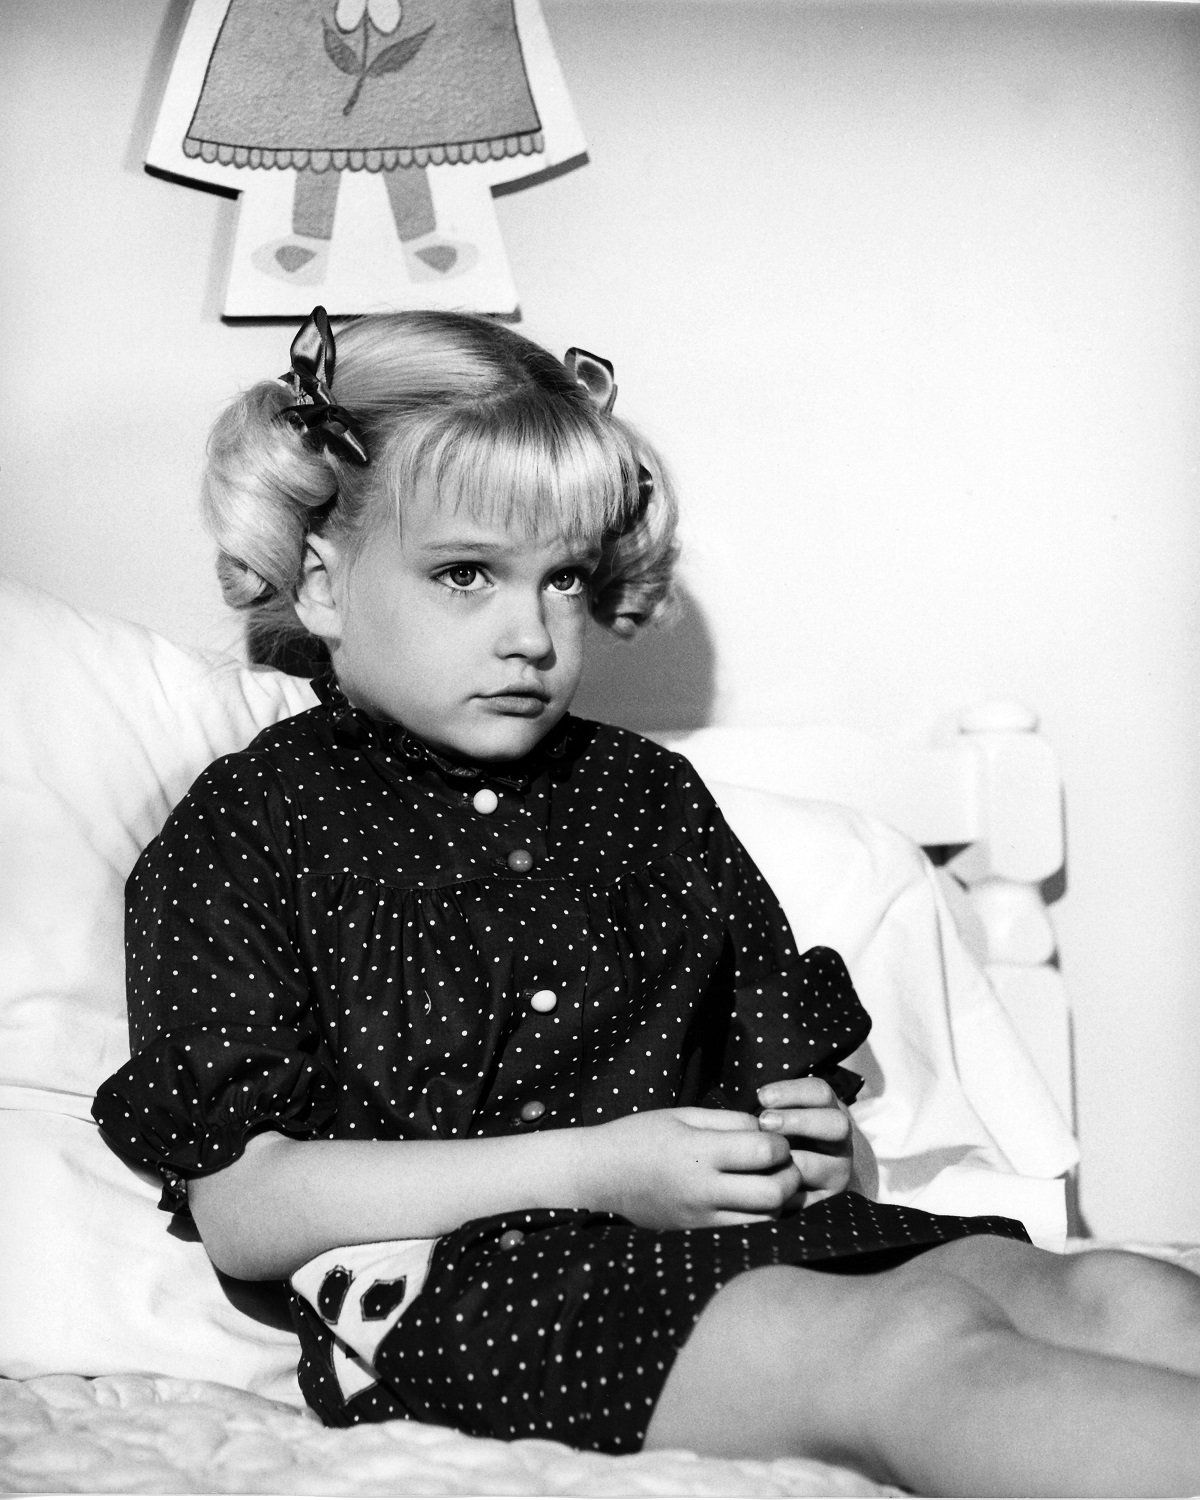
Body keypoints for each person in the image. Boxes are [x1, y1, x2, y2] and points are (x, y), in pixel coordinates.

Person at [94, 308, 1200, 1497]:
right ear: (320, 584)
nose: (530, 634)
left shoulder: (647, 798)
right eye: (465, 574)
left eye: (562, 578)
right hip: (463, 1291)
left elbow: (780, 1088)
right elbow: (246, 1208)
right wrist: (597, 1169)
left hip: (737, 1245)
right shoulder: (251, 824)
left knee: (1114, 1290)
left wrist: (806, 1149)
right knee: (917, 1349)